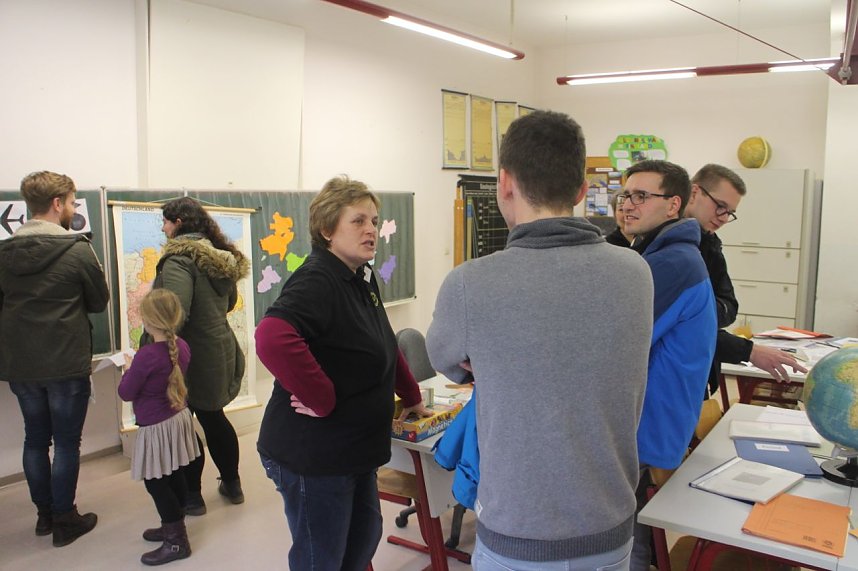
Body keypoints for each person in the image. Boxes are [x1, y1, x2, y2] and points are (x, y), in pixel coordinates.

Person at [426, 110, 654, 571]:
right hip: (609, 529)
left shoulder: (470, 284)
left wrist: (496, 352)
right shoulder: (636, 273)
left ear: (504, 183)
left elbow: (449, 362)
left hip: (517, 537)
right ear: (581, 191)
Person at [254, 175, 431, 571]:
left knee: (362, 542)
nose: (371, 230)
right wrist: (322, 399)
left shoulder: (361, 278)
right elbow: (271, 336)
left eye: (373, 220)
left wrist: (413, 396)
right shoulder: (319, 278)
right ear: (326, 229)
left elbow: (385, 341)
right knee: (323, 558)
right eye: (358, 221)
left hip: (355, 450)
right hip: (314, 454)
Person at [0, 171, 109, 547]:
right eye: (74, 202)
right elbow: (98, 301)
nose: (75, 209)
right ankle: (65, 519)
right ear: (58, 204)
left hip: (21, 364)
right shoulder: (78, 250)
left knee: (34, 440)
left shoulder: (3, 252)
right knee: (65, 443)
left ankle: (44, 517)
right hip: (65, 362)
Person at [618, 160, 717, 570]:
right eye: (625, 194)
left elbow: (619, 343)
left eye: (642, 196)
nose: (628, 204)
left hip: (649, 421)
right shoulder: (664, 254)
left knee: (629, 534)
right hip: (651, 416)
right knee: (633, 523)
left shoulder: (670, 264)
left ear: (674, 205)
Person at [150, 197, 249, 515]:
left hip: (187, 355)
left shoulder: (179, 260)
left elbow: (174, 314)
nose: (163, 228)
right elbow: (230, 301)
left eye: (165, 221)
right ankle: (232, 484)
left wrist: (152, 346)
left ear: (178, 222)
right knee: (214, 416)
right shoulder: (218, 257)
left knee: (184, 422)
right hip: (218, 348)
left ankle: (192, 496)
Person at [685, 164, 807, 394]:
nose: (723, 218)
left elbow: (729, 306)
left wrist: (702, 313)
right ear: (694, 193)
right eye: (720, 206)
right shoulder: (671, 250)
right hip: (671, 377)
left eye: (729, 212)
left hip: (701, 373)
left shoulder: (710, 243)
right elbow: (683, 327)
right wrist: (746, 350)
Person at [118, 289, 199, 566]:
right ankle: (173, 524)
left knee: (155, 482)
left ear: (148, 321)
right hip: (178, 418)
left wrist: (128, 370)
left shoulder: (145, 356)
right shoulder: (182, 346)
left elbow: (126, 393)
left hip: (156, 425)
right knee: (173, 471)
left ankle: (176, 541)